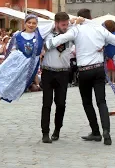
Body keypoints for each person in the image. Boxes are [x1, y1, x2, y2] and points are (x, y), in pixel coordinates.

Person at [45, 9, 115, 146]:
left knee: (87, 103)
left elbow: (61, 38)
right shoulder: (100, 29)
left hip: (84, 70)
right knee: (101, 102)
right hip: (98, 69)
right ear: (90, 17)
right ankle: (106, 131)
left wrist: (48, 44)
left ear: (79, 18)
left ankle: (96, 132)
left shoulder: (77, 30)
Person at [0, 14, 53, 113]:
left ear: (37, 24)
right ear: (24, 23)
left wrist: (74, 22)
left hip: (26, 68)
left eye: (34, 23)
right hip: (14, 64)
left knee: (3, 91)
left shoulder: (40, 33)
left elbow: (55, 23)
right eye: (29, 22)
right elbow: (10, 51)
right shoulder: (18, 35)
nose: (31, 25)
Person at [41, 12, 72, 143]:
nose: (65, 27)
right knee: (46, 104)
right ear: (56, 23)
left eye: (67, 24)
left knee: (61, 104)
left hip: (63, 73)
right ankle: (45, 132)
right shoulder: (47, 34)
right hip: (48, 72)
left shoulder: (71, 34)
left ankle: (57, 129)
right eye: (63, 24)